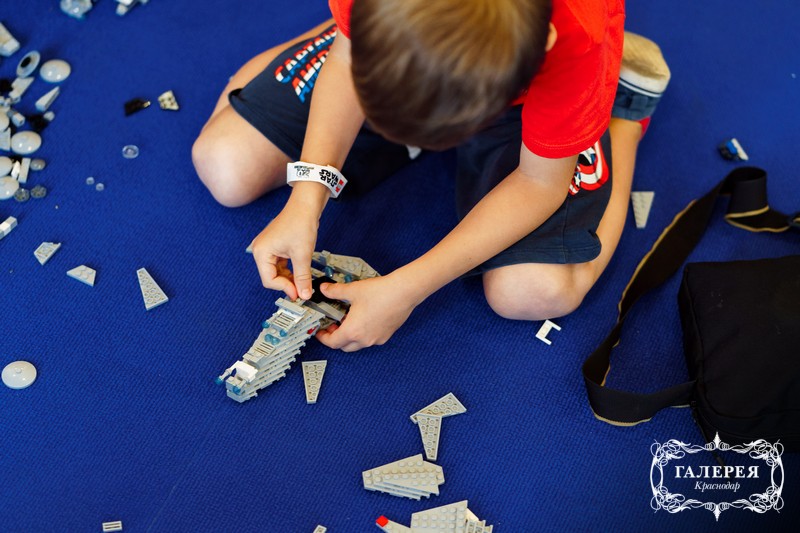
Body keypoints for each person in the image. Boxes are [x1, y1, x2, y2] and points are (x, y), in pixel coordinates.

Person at [192, 0, 671, 352]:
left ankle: (623, 115)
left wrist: (407, 289)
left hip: (536, 90)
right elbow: (347, 61)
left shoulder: (574, 36)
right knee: (226, 165)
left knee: (535, 291)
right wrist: (306, 194)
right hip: (415, 43)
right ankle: (358, 31)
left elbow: (539, 182)